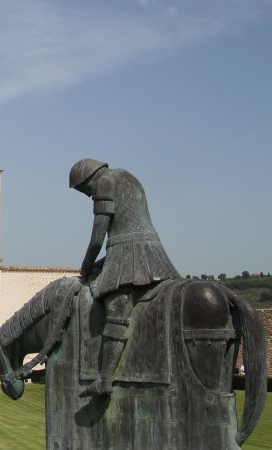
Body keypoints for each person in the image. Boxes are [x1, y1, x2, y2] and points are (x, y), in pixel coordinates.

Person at [70, 159, 180, 397]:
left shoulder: (104, 183)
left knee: (116, 310)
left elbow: (98, 238)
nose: (89, 196)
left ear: (88, 180)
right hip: (151, 251)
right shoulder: (129, 177)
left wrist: (86, 265)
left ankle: (105, 379)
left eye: (84, 191)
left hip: (129, 254)